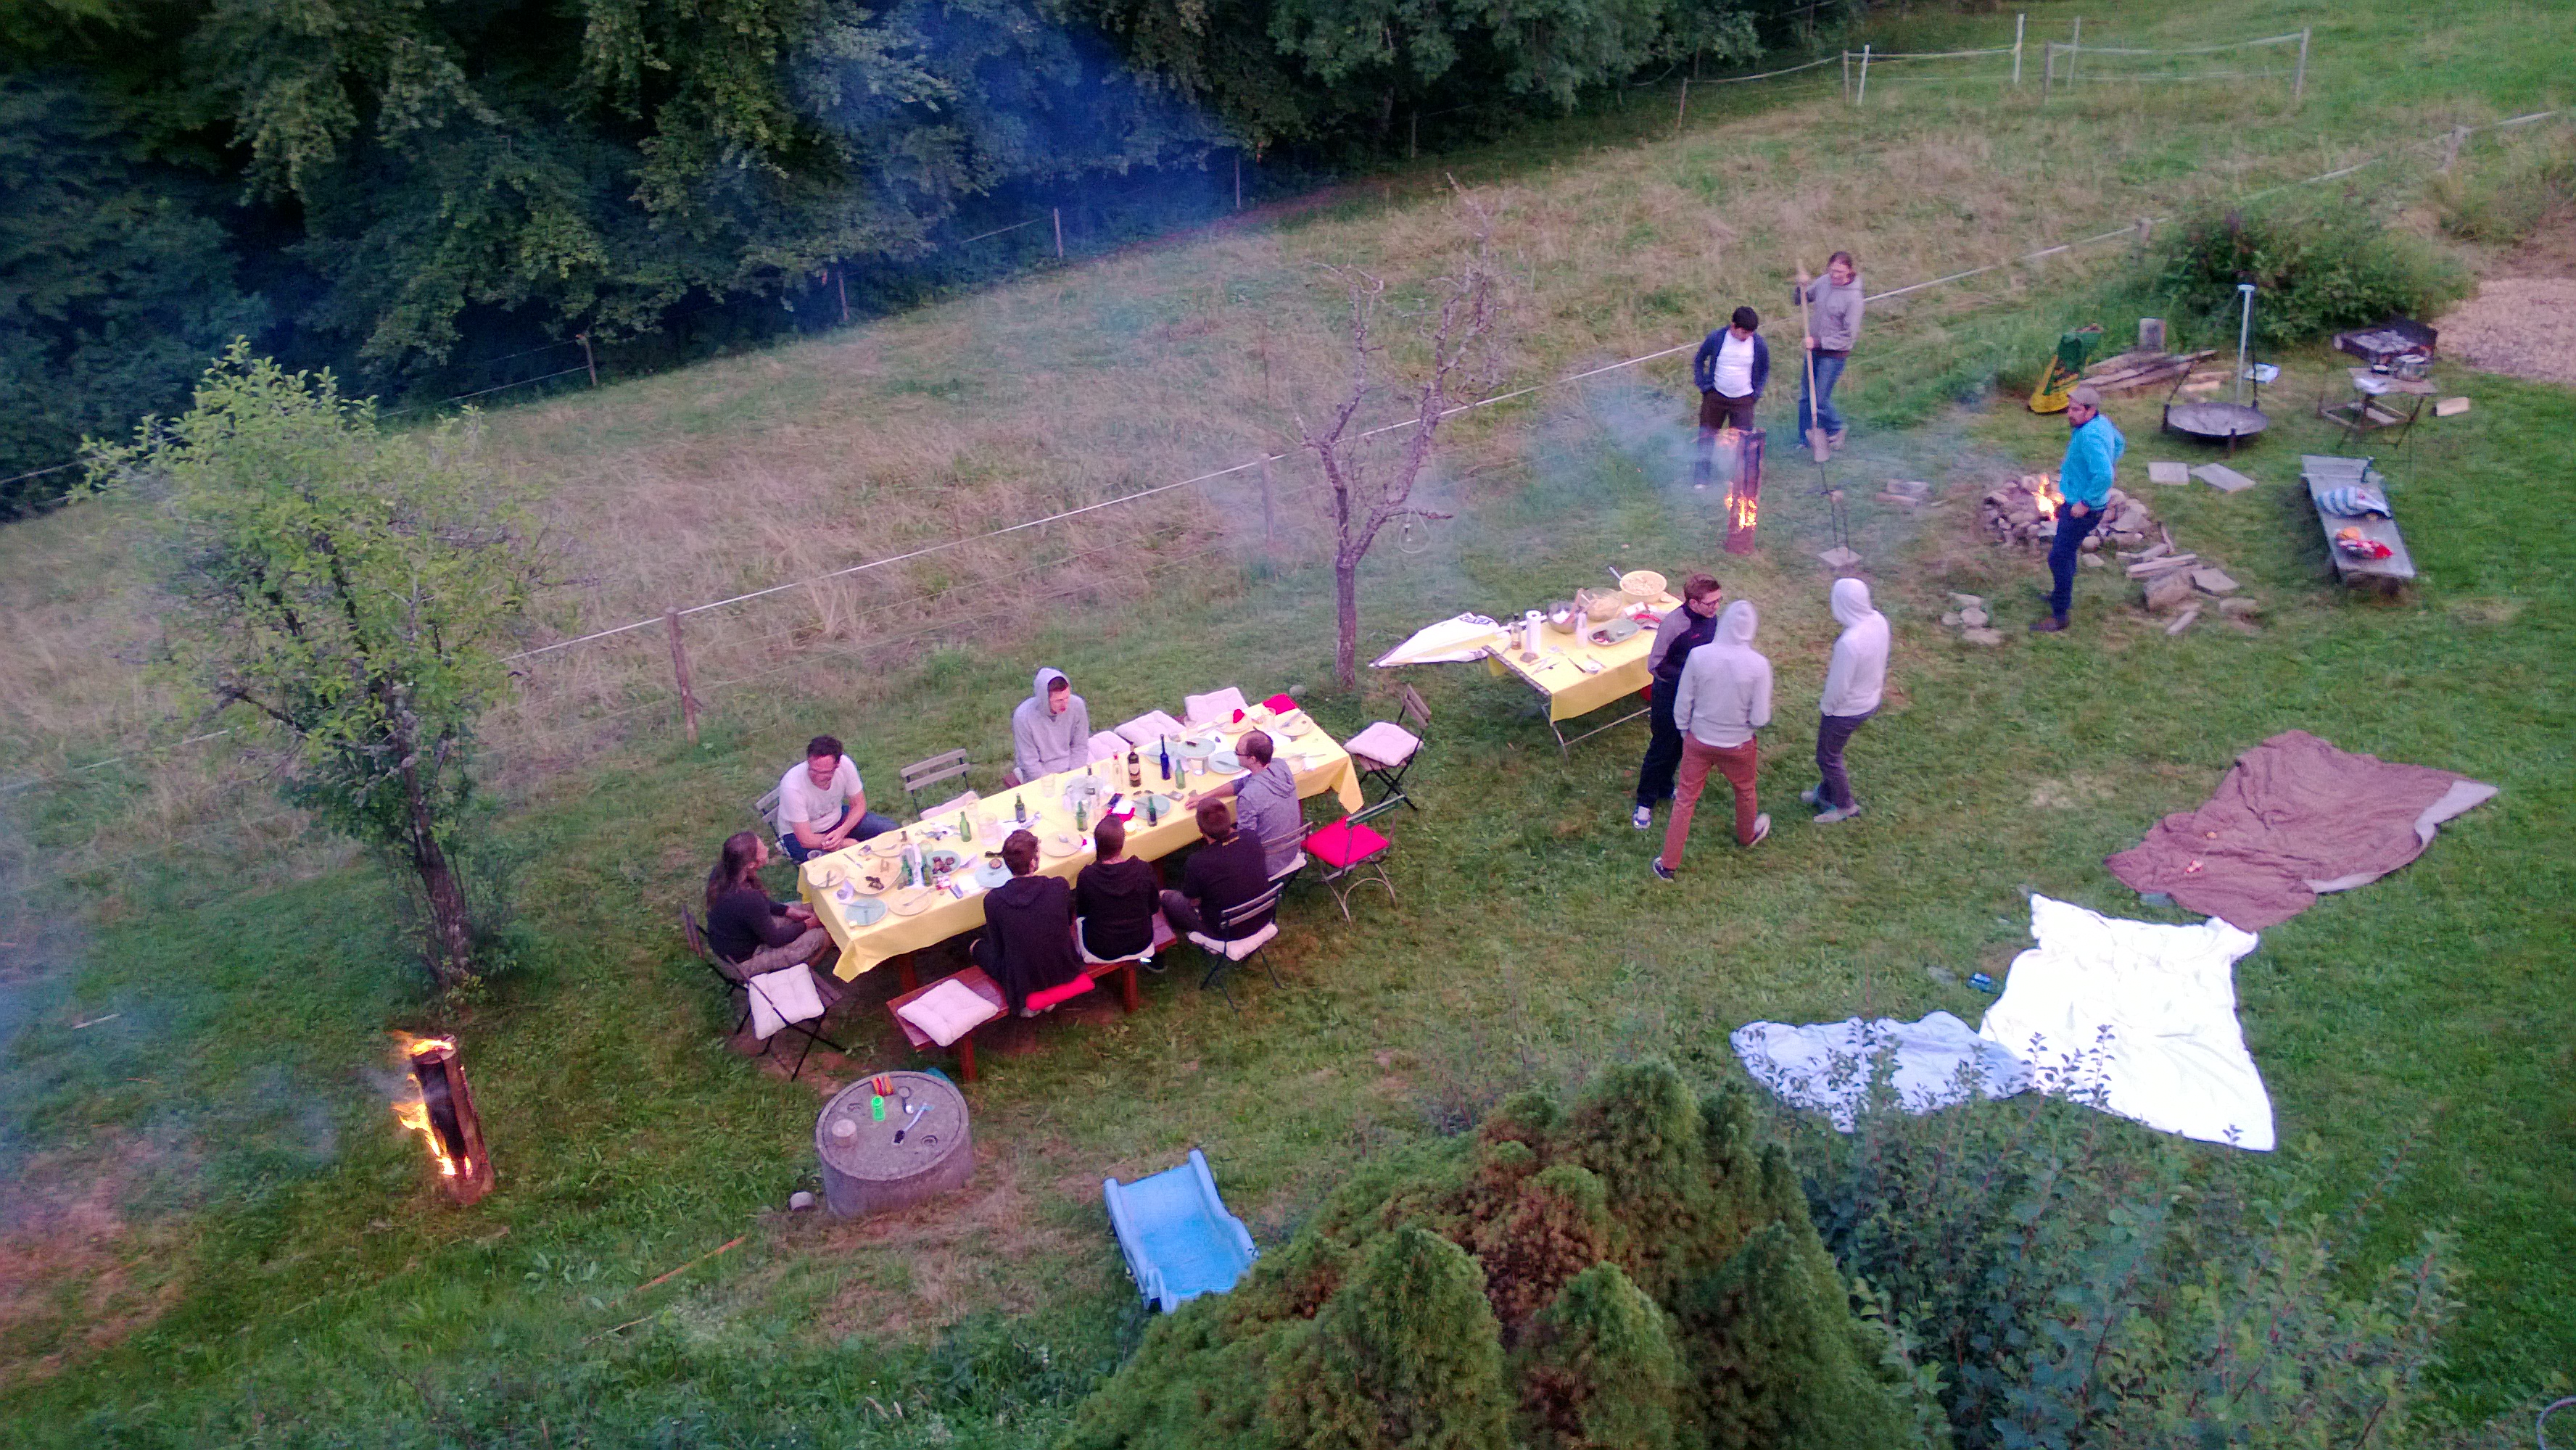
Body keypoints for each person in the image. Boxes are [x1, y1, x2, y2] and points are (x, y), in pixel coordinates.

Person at [1654, 600, 1772, 879]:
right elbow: (1760, 717)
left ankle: (1668, 864)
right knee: (1745, 790)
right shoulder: (1759, 665)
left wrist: (1685, 731)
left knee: (1685, 799)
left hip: (1699, 741)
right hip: (1739, 744)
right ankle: (1748, 835)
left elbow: (1684, 701)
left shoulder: (1698, 656)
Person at [1632, 573, 1727, 831]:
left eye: (1719, 601)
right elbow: (1655, 665)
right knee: (1662, 746)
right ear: (1693, 603)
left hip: (1695, 696)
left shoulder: (1710, 618)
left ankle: (1664, 787)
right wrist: (1689, 677)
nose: (1716, 607)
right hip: (1669, 694)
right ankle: (1645, 801)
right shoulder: (1675, 624)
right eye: (1711, 603)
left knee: (1681, 744)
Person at [2031, 384, 2126, 634]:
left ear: (2090, 410)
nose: (2069, 414)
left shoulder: (2090, 436)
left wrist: (2085, 502)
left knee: (2058, 557)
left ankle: (2060, 615)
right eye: (2069, 409)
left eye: (2075, 410)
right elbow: (2119, 443)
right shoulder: (2100, 423)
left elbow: (2105, 474)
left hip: (2083, 509)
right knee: (2066, 552)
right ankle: (2060, 597)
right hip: (2076, 502)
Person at [970, 829, 1086, 1015]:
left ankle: (1030, 998)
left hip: (1022, 977)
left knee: (977, 946)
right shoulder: (1059, 886)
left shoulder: (993, 900)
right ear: (1033, 863)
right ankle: (1044, 995)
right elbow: (1066, 922)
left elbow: (1000, 949)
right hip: (1061, 967)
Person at [1806, 579, 1887, 824]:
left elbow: (1838, 686)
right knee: (1830, 752)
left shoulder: (1849, 643)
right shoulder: (1878, 620)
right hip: (1870, 697)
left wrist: (1827, 708)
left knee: (1827, 757)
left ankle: (1845, 806)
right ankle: (1825, 793)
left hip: (1846, 709)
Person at [703, 831, 835, 975]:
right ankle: (800, 973)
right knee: (821, 935)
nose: (767, 849)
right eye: (762, 849)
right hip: (742, 962)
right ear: (751, 865)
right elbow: (776, 939)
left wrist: (787, 911)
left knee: (809, 907)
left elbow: (759, 905)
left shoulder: (725, 871)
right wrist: (809, 924)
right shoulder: (747, 898)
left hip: (740, 938)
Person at [1187, 729, 1303, 877]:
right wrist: (1205, 796)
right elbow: (1243, 782)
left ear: (1252, 759)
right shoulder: (1280, 766)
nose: (1235, 754)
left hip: (1268, 863)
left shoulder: (1248, 797)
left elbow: (1244, 843)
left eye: (1238, 752)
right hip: (1291, 848)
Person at [1160, 799, 1273, 941]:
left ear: (1201, 830)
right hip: (1263, 915)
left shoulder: (1197, 862)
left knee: (1164, 896)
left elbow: (1193, 902)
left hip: (1226, 931)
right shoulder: (1251, 837)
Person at [774, 735, 898, 863]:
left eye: (824, 773)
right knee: (841, 863)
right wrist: (843, 842)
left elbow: (859, 804)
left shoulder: (846, 765)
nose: (817, 777)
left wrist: (842, 831)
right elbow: (806, 839)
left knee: (890, 830)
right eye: (813, 770)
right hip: (800, 836)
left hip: (836, 819)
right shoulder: (792, 787)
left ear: (837, 765)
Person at [1793, 252, 1865, 452]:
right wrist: (1801, 287)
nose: (1834, 275)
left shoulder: (1854, 299)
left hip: (1834, 355)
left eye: (1840, 272)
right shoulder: (1824, 282)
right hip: (1813, 351)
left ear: (1849, 270)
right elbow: (1802, 300)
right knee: (1806, 396)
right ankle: (1804, 440)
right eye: (1832, 270)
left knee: (1821, 399)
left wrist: (1819, 342)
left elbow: (1849, 336)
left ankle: (1837, 428)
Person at [1691, 307, 1769, 487]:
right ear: (1733, 326)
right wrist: (1703, 385)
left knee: (1743, 443)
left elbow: (1764, 369)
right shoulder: (1717, 338)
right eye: (1744, 332)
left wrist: (1755, 393)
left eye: (1751, 333)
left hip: (1743, 401)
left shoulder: (1758, 344)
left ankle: (1738, 481)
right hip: (1715, 397)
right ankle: (1701, 481)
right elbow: (1699, 359)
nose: (1747, 336)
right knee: (1707, 437)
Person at [1076, 815, 1163, 964]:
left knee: (1078, 922)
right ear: (1122, 843)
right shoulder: (1143, 869)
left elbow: (1082, 913)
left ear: (1097, 844)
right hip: (1140, 941)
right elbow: (1154, 908)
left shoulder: (1087, 876)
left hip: (1101, 948)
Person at [1011, 667, 1091, 784]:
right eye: (1058, 701)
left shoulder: (1077, 705)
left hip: (1071, 766)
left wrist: (1073, 776)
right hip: (1040, 775)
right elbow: (1029, 761)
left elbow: (1080, 745)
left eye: (1067, 698)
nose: (1065, 704)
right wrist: (1053, 783)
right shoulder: (1023, 717)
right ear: (1044, 699)